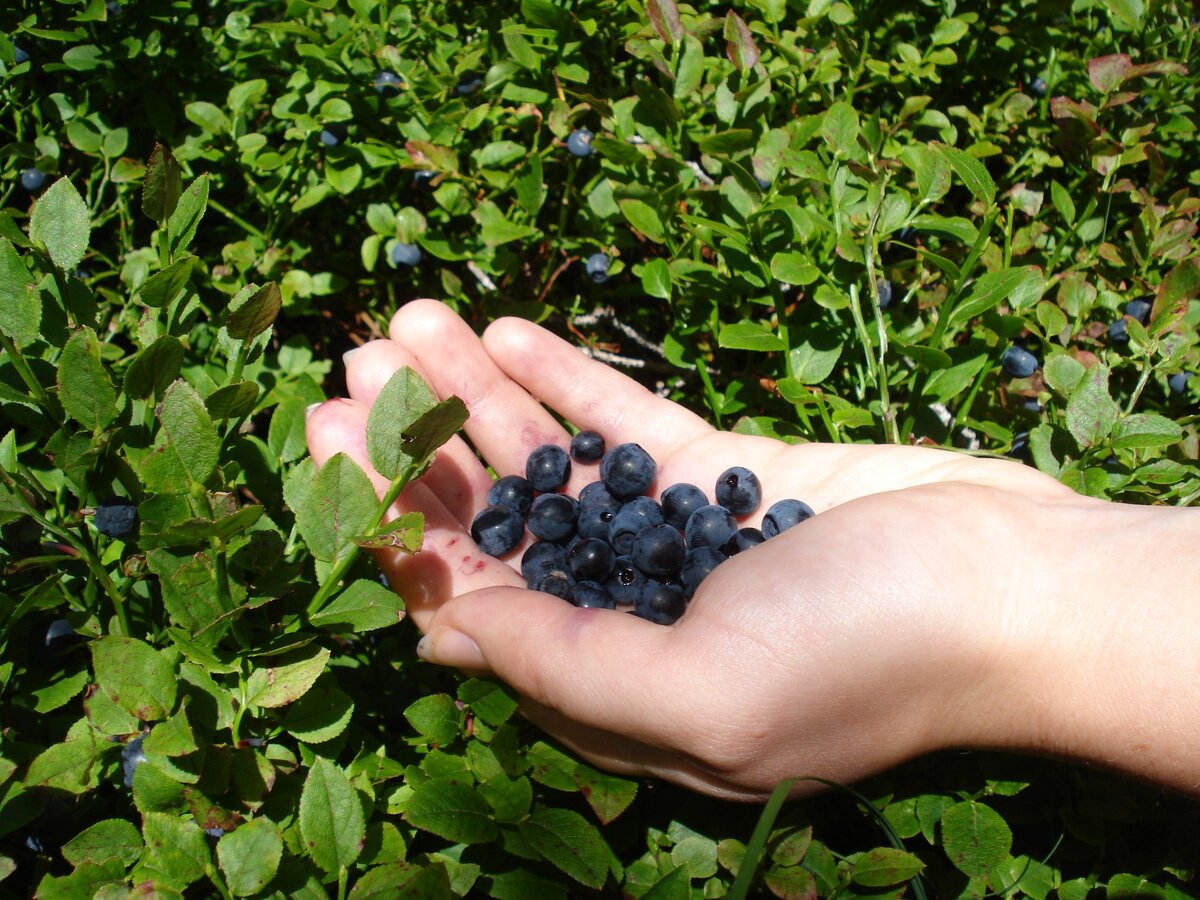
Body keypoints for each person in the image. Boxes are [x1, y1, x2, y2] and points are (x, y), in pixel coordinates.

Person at [306, 299, 1200, 801]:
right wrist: (1034, 580)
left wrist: (1000, 590)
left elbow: (663, 544)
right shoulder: (597, 520)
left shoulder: (680, 530)